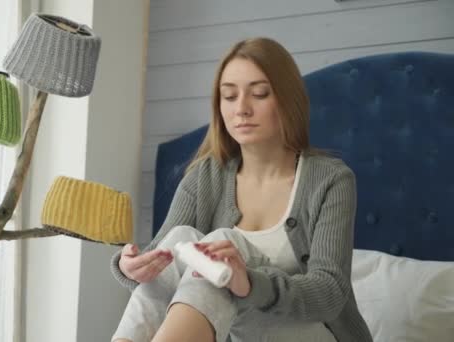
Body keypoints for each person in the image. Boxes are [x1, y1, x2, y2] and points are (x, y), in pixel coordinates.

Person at [109, 37, 373, 342]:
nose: (242, 109)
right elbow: (162, 268)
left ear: (288, 100)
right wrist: (132, 268)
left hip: (312, 333)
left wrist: (248, 283)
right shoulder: (204, 177)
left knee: (220, 248)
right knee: (181, 241)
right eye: (229, 96)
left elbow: (329, 293)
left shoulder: (330, 180)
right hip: (230, 334)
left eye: (259, 94)